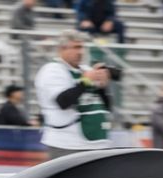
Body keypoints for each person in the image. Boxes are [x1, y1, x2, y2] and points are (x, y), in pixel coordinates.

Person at [34, 30, 113, 158]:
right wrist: (85, 81)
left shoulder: (86, 70)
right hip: (68, 145)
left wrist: (103, 87)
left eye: (82, 47)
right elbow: (63, 102)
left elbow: (107, 107)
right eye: (76, 47)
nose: (81, 52)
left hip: (97, 144)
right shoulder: (52, 70)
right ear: (62, 49)